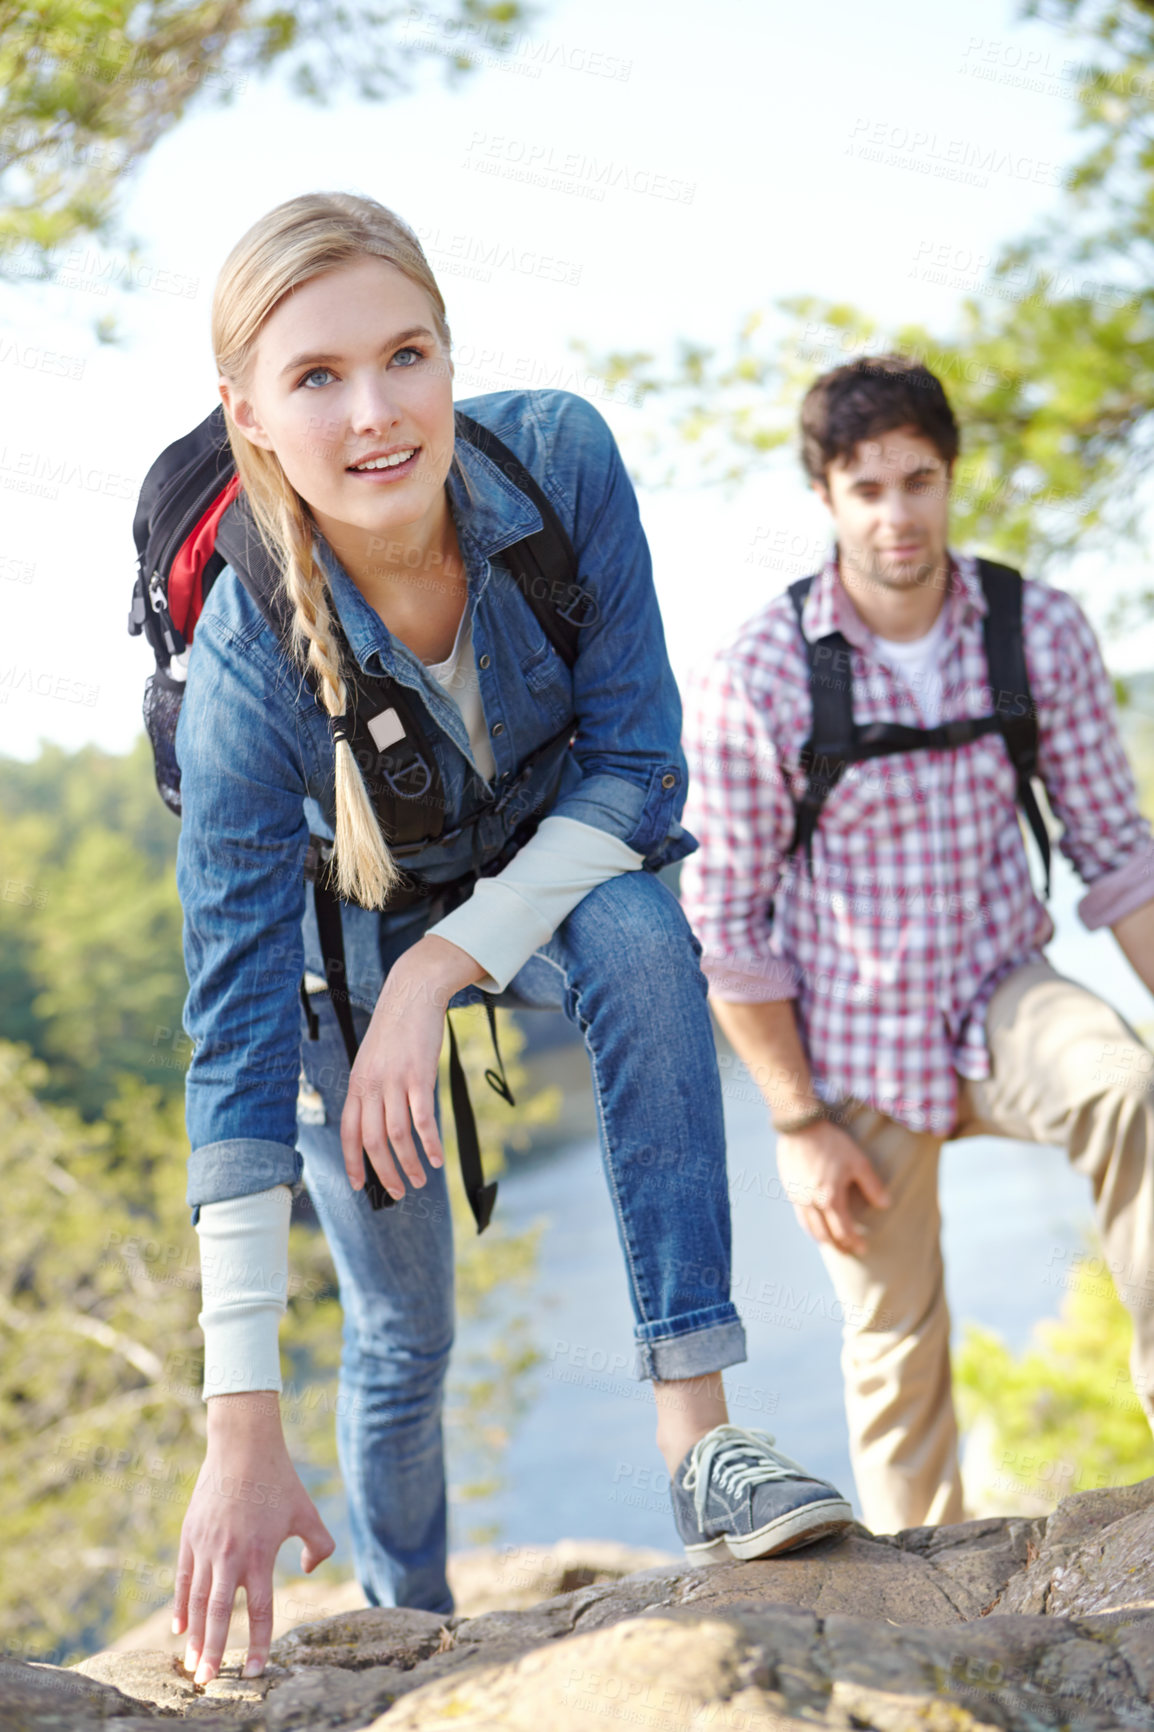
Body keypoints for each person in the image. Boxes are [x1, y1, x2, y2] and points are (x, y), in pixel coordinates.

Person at [167, 192, 853, 1687]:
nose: (374, 412)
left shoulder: (555, 464)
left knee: (635, 936)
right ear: (249, 416)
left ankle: (703, 1445)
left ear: (448, 351)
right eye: (315, 378)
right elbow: (228, 1038)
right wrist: (239, 1425)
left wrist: (446, 962)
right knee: (403, 1336)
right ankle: (413, 1623)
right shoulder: (244, 659)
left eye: (406, 354)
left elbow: (636, 775)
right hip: (334, 960)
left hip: (540, 875)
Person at [680, 353, 1154, 1536]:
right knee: (893, 1344)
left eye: (917, 480)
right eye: (866, 487)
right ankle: (921, 1596)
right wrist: (797, 1122)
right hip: (850, 1037)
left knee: (1128, 1087)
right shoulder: (762, 671)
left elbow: (1118, 855)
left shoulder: (1032, 629)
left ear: (949, 479)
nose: (897, 515)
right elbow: (727, 928)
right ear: (825, 497)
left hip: (1006, 993)